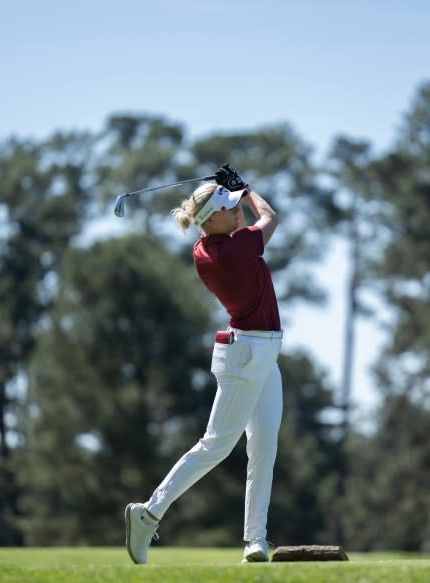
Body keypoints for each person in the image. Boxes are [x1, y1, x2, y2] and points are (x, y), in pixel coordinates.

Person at [125, 165, 283, 565]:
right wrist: (245, 189)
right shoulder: (233, 249)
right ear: (212, 220)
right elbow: (269, 218)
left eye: (235, 207)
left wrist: (229, 194)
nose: (237, 212)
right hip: (247, 356)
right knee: (217, 444)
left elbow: (243, 223)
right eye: (229, 209)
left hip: (260, 355)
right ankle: (149, 513)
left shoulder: (208, 246)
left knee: (263, 446)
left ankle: (255, 540)